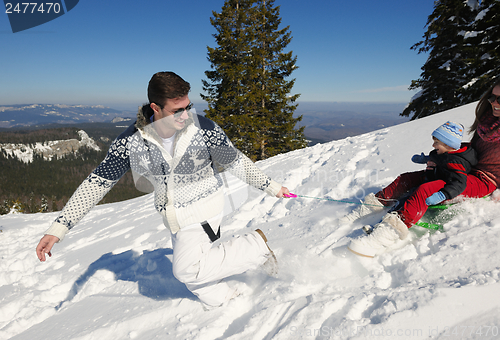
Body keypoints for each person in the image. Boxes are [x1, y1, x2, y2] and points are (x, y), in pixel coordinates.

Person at [36, 71, 290, 307]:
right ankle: (228, 301)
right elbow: (97, 183)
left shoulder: (204, 130)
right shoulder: (130, 141)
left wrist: (273, 187)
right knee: (199, 282)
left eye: (188, 107)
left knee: (185, 270)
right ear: (155, 108)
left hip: (204, 210)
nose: (186, 114)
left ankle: (256, 247)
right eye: (177, 110)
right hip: (172, 216)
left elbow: (235, 161)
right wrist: (59, 229)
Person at [345, 120, 479, 257]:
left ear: (447, 144)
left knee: (419, 192)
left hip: (444, 184)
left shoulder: (457, 162)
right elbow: (440, 159)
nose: (433, 145)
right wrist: (424, 159)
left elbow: (460, 183)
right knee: (405, 179)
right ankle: (374, 205)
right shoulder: (445, 153)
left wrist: (443, 195)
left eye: (436, 142)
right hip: (435, 175)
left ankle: (387, 233)